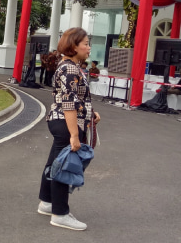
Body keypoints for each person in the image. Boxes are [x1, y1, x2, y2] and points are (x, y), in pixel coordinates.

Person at [37, 27, 101, 231]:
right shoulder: (70, 68)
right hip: (66, 124)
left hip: (60, 121)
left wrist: (91, 112)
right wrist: (75, 134)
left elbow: (75, 98)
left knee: (54, 163)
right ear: (74, 46)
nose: (89, 48)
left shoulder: (68, 66)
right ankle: (60, 213)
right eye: (86, 44)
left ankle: (47, 202)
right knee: (65, 167)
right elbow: (69, 102)